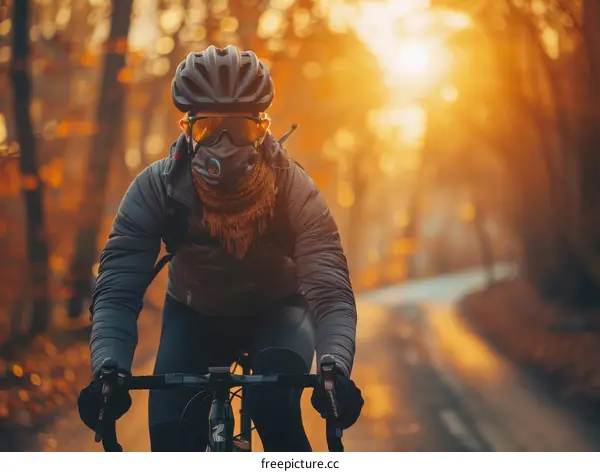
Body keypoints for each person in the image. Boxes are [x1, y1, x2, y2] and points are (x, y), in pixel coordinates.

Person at [77, 45, 363, 452]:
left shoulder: (293, 188)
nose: (223, 143)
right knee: (170, 439)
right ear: (186, 127)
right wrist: (109, 369)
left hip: (279, 310)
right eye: (208, 127)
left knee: (273, 407)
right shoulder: (157, 188)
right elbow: (118, 288)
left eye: (241, 128)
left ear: (263, 127)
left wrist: (334, 367)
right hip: (194, 315)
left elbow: (331, 291)